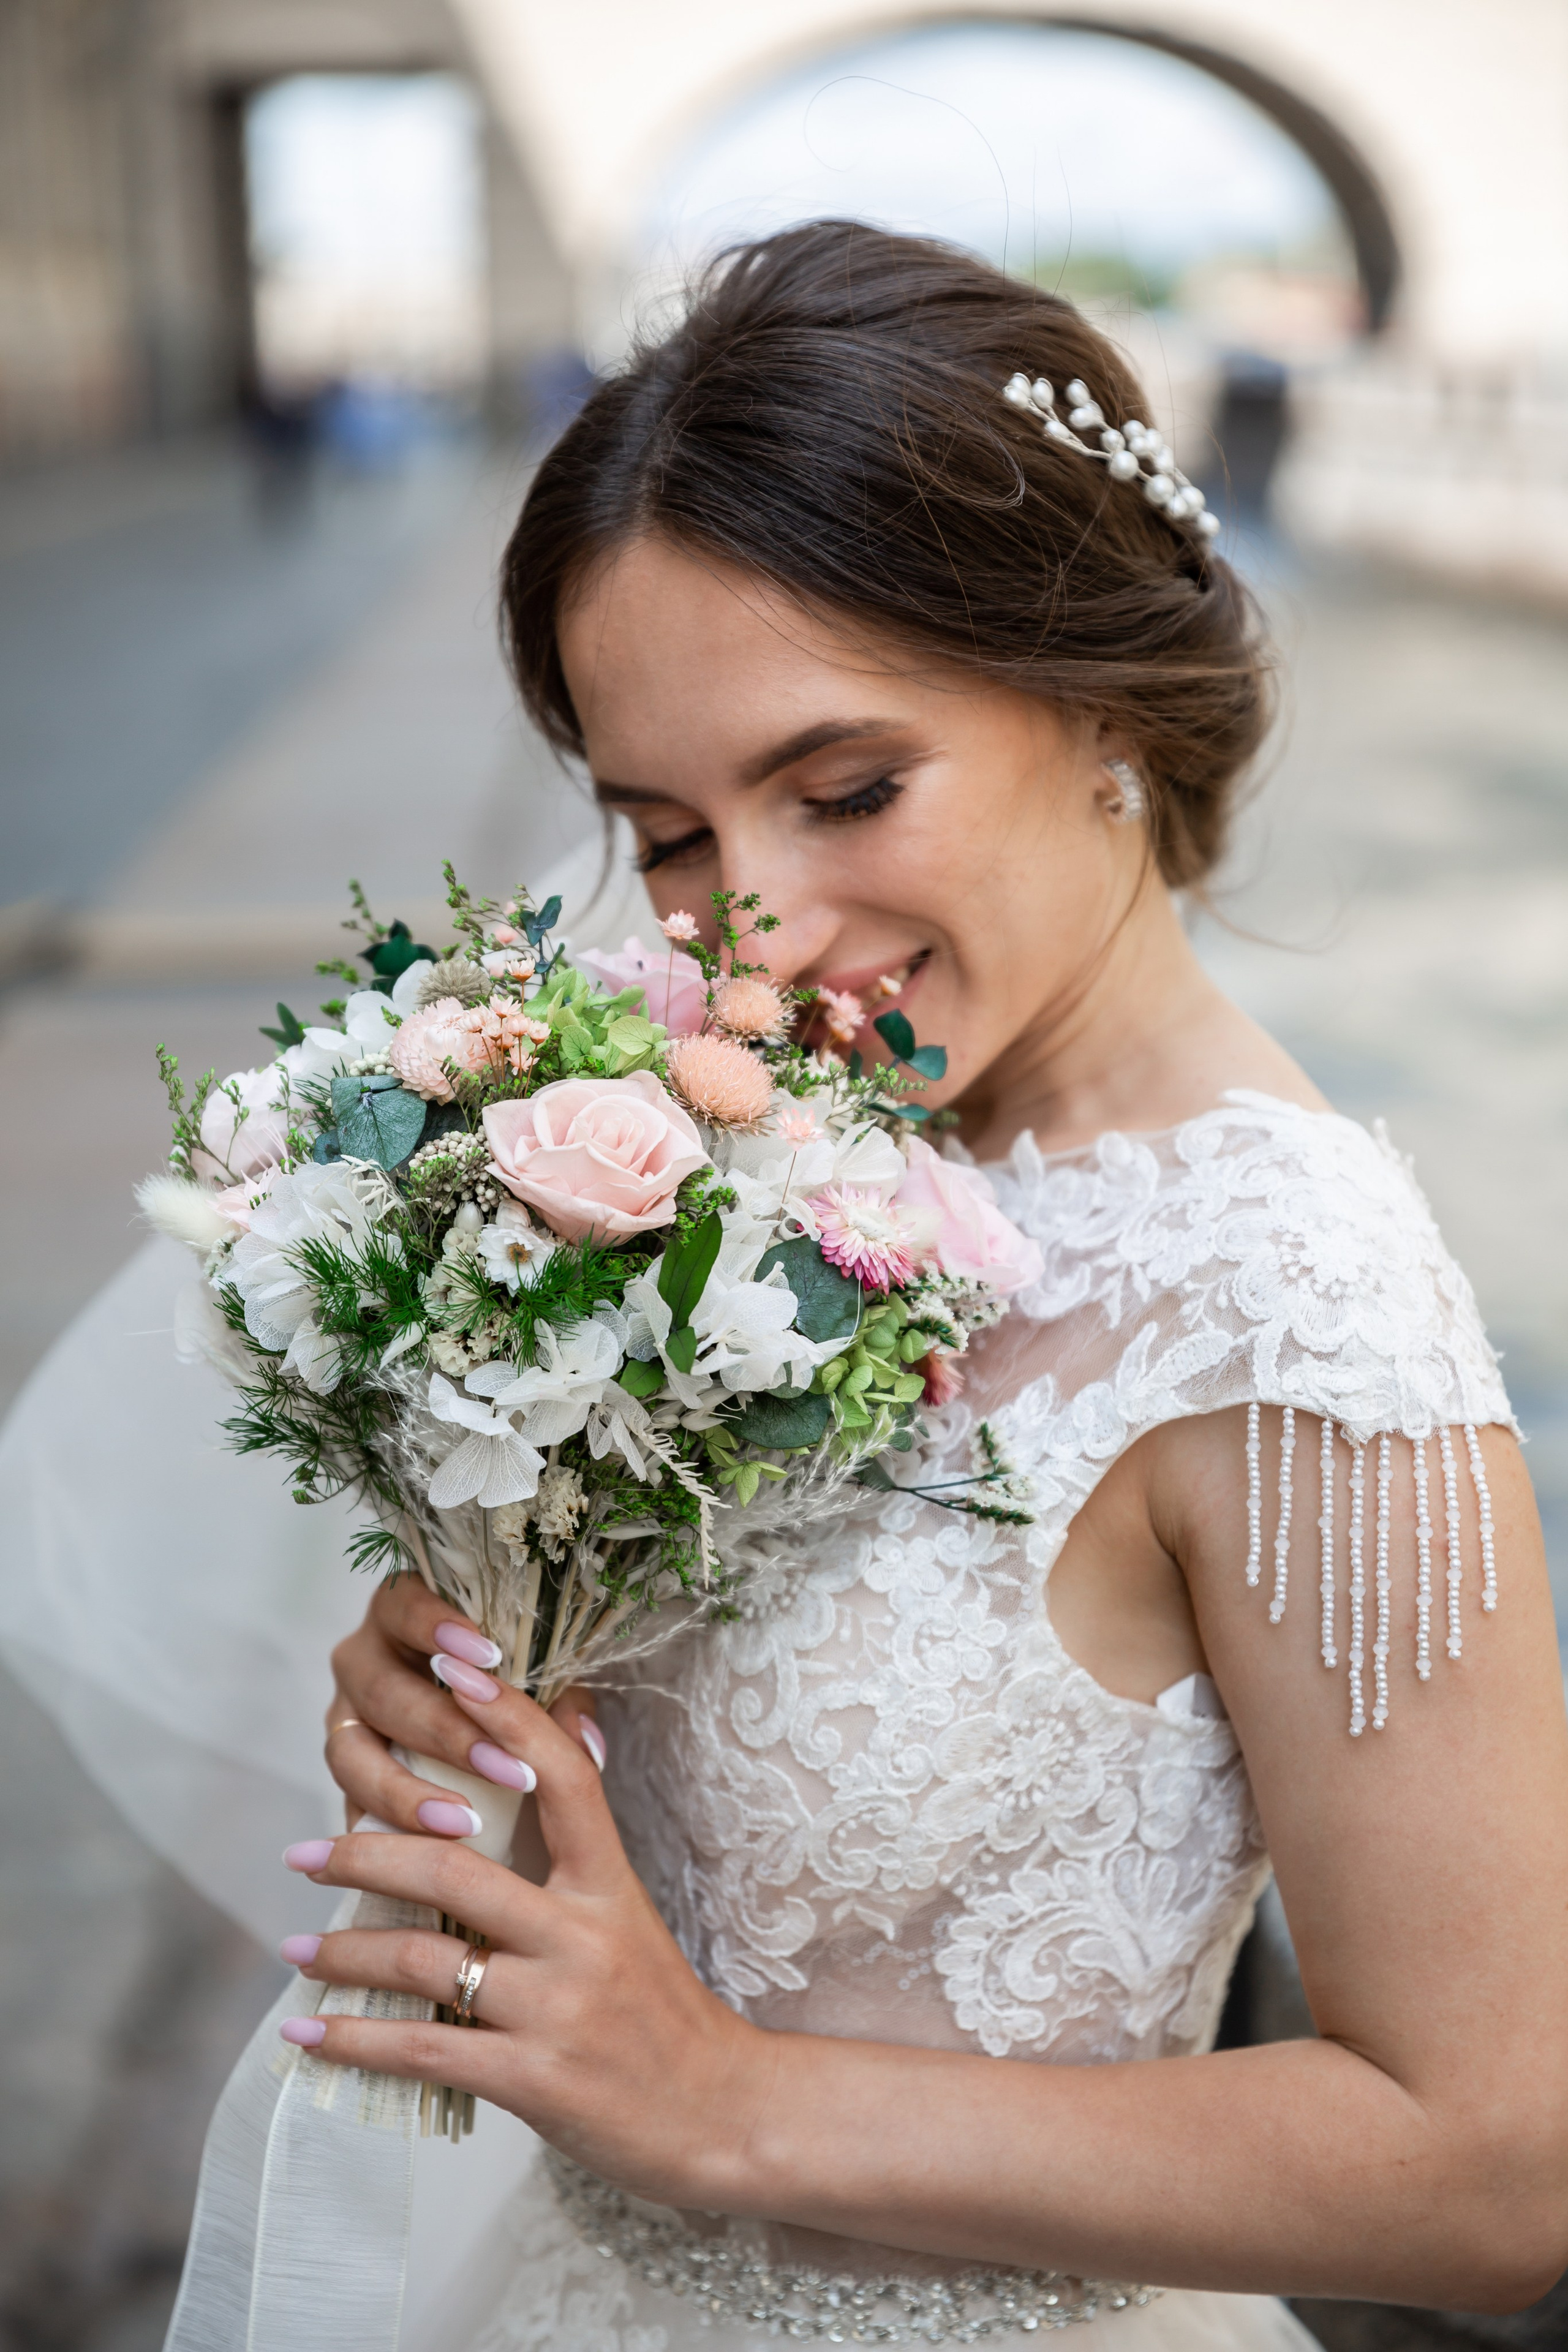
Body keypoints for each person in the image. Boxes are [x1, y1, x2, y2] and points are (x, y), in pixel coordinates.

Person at [184, 224, 1568, 2348]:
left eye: (845, 790)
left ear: (1097, 699)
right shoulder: (778, 1155)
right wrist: (509, 1680)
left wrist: (728, 2107)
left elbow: (1495, 2166)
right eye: (661, 833)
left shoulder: (1298, 1305)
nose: (750, 930)